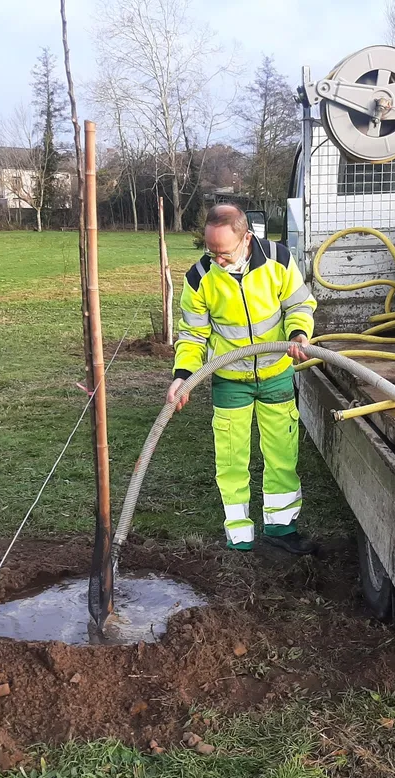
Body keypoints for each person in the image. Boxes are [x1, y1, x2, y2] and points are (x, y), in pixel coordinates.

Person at [167, 204, 317, 555]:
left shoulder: (278, 260)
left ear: (247, 237)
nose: (218, 260)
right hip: (230, 380)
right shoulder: (199, 278)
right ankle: (239, 535)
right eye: (211, 252)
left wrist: (298, 335)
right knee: (232, 459)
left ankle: (281, 527)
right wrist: (182, 376)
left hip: (276, 374)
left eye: (225, 252)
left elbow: (299, 305)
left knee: (281, 454)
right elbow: (192, 336)